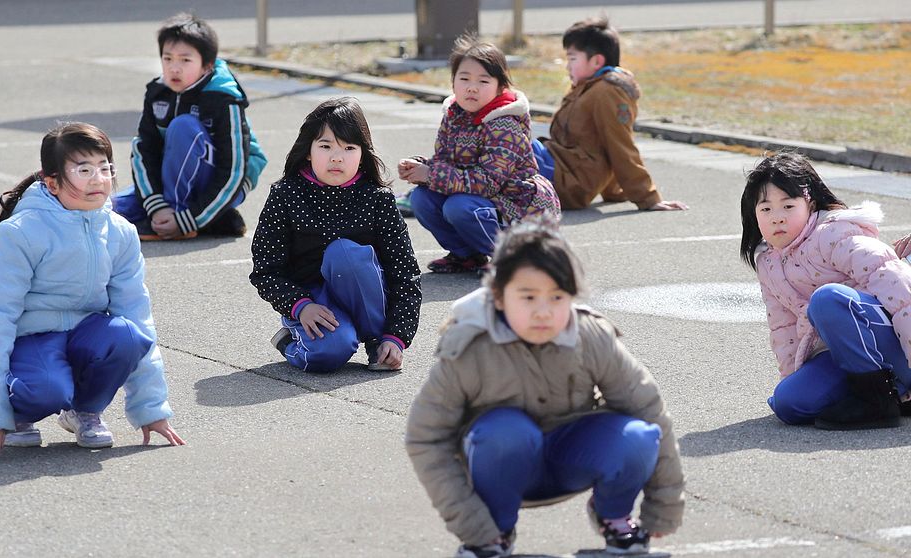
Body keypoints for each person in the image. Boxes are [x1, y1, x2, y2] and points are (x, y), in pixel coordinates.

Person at [405, 218, 684, 557]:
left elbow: (649, 409)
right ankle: (495, 534)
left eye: (556, 297)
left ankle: (615, 518)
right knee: (506, 432)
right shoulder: (469, 348)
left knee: (639, 434)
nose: (543, 311)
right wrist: (471, 522)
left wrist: (663, 507)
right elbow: (425, 437)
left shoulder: (590, 335)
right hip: (501, 465)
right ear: (498, 296)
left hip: (572, 458)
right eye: (528, 297)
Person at [0, 123, 185, 460]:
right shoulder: (20, 233)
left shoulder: (120, 232)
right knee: (48, 389)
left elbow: (136, 312)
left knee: (128, 335)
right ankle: (20, 414)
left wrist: (151, 408)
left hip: (85, 335)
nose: (98, 179)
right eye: (83, 170)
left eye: (104, 168)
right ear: (51, 181)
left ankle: (84, 411)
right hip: (33, 338)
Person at [740, 151, 911, 430]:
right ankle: (892, 394)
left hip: (895, 341)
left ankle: (879, 401)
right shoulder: (768, 262)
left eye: (788, 205)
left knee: (827, 299)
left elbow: (900, 289)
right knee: (789, 403)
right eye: (766, 209)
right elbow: (782, 327)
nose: (777, 218)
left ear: (810, 203)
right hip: (848, 355)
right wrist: (794, 377)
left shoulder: (834, 233)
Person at [250, 97, 422, 373]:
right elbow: (265, 271)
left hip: (366, 298)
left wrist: (396, 336)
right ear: (308, 150)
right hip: (311, 300)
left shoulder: (377, 199)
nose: (336, 157)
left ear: (362, 154)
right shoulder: (286, 195)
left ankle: (376, 342)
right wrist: (299, 306)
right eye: (325, 146)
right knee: (328, 354)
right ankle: (291, 341)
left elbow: (405, 273)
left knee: (345, 253)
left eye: (349, 148)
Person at [397, 36, 560, 274]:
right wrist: (419, 168)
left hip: (521, 207)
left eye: (483, 81)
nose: (471, 87)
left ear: (500, 87)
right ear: (453, 83)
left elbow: (488, 183)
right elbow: (445, 163)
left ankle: (511, 258)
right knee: (421, 198)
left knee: (458, 206)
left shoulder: (505, 124)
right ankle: (466, 255)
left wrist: (431, 174)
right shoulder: (454, 115)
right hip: (485, 202)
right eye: (464, 79)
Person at [112, 12, 267, 240]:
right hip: (174, 177)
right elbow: (144, 151)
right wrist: (156, 207)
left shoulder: (223, 98)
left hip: (225, 183)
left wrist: (184, 220)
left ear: (207, 66)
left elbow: (234, 170)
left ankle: (184, 217)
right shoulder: (158, 93)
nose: (174, 68)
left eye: (185, 60)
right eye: (167, 59)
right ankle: (214, 221)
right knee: (112, 210)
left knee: (183, 127)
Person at [532, 17, 688, 212]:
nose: (567, 66)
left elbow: (619, 143)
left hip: (568, 180)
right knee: (508, 146)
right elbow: (599, 145)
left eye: (572, 58)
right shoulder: (588, 88)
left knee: (510, 151)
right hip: (558, 167)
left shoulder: (608, 92)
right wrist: (614, 190)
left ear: (597, 61)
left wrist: (647, 197)